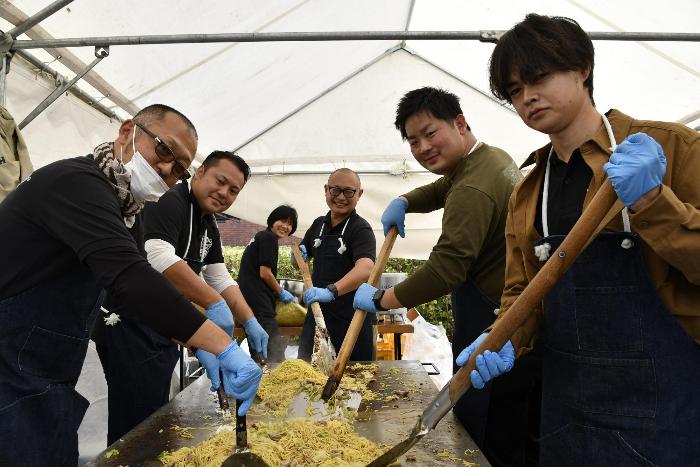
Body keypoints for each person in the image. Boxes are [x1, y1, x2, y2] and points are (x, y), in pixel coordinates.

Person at [457, 13, 700, 466]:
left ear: (583, 67)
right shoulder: (529, 192)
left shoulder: (670, 148)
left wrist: (654, 202)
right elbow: (521, 293)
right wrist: (504, 336)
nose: (527, 97)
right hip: (567, 413)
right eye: (513, 91)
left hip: (664, 413)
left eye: (538, 77)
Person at [0, 104, 262, 465]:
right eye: (164, 150)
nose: (168, 170)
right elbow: (129, 278)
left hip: (48, 367)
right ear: (127, 132)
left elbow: (134, 298)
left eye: (179, 169)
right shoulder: (76, 182)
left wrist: (191, 340)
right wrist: (222, 345)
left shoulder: (128, 214)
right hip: (9, 355)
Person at [352, 86, 540, 465]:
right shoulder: (487, 158)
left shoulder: (472, 187)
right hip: (511, 315)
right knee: (517, 427)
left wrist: (382, 300)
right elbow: (442, 187)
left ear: (459, 123)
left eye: (429, 132)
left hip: (493, 321)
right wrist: (406, 200)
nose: (422, 147)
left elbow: (446, 268)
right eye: (413, 140)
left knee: (486, 432)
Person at [93, 149, 269, 444]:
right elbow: (155, 254)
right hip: (129, 325)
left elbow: (218, 276)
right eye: (220, 181)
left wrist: (250, 321)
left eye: (233, 190)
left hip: (164, 326)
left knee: (154, 412)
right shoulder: (170, 201)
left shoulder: (207, 223)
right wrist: (214, 304)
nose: (224, 193)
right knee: (134, 423)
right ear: (199, 173)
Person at [294, 168, 376, 361]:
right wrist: (297, 256)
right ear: (326, 190)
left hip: (351, 320)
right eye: (335, 190)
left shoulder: (360, 229)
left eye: (349, 192)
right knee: (307, 374)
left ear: (359, 194)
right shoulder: (317, 225)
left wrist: (331, 291)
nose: (341, 197)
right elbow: (302, 259)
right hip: (316, 317)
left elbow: (365, 268)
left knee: (355, 379)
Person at [237, 205, 299, 362]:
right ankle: (275, 379)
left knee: (257, 344)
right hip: (259, 300)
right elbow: (265, 273)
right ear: (272, 220)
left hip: (249, 299)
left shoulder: (260, 237)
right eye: (282, 220)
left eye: (290, 224)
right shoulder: (268, 238)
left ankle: (260, 377)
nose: (286, 226)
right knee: (272, 350)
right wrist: (280, 292)